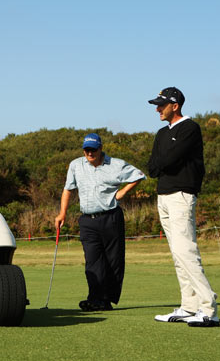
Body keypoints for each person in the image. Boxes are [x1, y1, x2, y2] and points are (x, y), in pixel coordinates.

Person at [147, 87, 219, 327]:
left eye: (161, 105)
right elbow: (153, 167)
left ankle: (208, 307)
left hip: (182, 195)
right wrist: (163, 162)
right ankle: (189, 306)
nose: (157, 109)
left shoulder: (190, 128)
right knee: (177, 254)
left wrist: (164, 162)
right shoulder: (161, 132)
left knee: (186, 251)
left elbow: (167, 160)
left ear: (175, 105)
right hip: (163, 196)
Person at [55, 133, 145, 311]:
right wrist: (62, 213)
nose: (90, 153)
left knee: (113, 260)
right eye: (87, 150)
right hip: (87, 220)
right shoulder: (76, 165)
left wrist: (122, 192)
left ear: (100, 148)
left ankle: (106, 299)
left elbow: (139, 175)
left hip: (110, 217)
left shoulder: (116, 165)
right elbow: (68, 189)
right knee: (92, 261)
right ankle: (94, 298)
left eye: (93, 150)